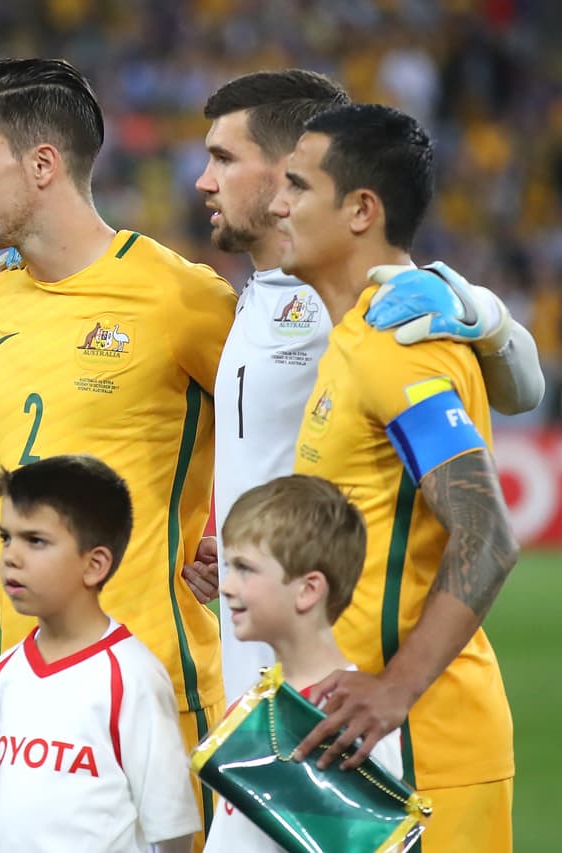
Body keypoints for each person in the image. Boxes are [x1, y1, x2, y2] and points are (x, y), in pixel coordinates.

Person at [0, 57, 233, 841]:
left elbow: (298, 428)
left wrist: (239, 536)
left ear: (42, 165)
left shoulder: (180, 298)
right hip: (32, 701)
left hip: (157, 690)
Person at [189, 69, 545, 703]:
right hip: (259, 671)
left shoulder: (373, 307)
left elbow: (519, 394)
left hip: (345, 678)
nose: (203, 180)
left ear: (289, 171)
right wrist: (242, 546)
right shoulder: (251, 295)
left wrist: (483, 313)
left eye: (222, 157)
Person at [270, 103, 516, 849]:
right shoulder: (355, 339)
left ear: (361, 210)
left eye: (297, 186)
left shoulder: (394, 347)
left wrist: (394, 689)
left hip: (424, 748)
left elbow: (487, 531)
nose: (276, 204)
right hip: (360, 740)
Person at [0, 455, 198, 853]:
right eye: (6, 537)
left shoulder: (131, 677)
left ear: (95, 564)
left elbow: (171, 830)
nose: (11, 556)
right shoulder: (6, 671)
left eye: (35, 541)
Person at [205, 474, 403, 851]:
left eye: (245, 569)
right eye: (229, 567)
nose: (226, 587)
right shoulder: (258, 701)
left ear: (308, 589)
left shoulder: (347, 721)